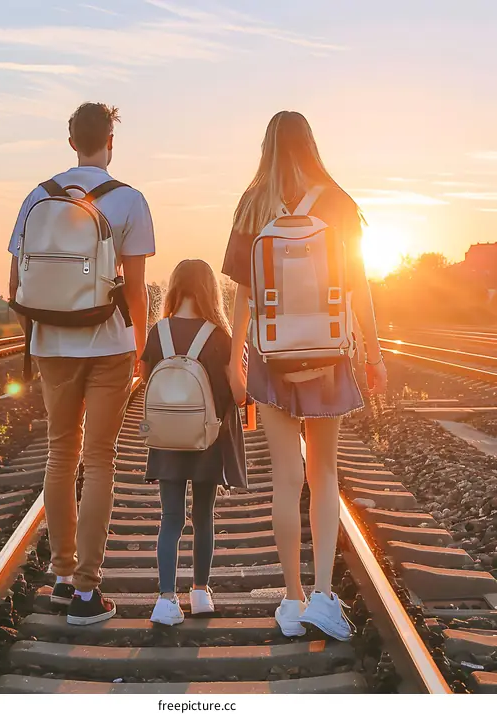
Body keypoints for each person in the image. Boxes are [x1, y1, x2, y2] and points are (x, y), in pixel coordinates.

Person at [222, 111, 387, 641]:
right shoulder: (337, 202)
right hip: (327, 354)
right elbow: (357, 285)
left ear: (266, 147)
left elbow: (242, 291)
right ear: (311, 145)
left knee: (285, 479)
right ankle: (321, 594)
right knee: (324, 475)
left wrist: (236, 355)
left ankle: (291, 600)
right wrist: (374, 352)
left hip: (271, 355)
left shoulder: (253, 205)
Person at [7, 102, 155, 626]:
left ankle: (64, 577)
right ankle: (90, 592)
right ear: (110, 140)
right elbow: (135, 290)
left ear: (71, 140)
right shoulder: (129, 201)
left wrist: (44, 332)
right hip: (109, 342)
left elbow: (15, 285)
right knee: (101, 459)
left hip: (51, 344)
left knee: (60, 452)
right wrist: (139, 349)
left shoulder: (36, 198)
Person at [140, 260, 247, 626]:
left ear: (174, 289)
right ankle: (200, 592)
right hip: (207, 441)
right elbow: (240, 394)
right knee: (203, 517)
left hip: (167, 440)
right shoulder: (219, 336)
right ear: (209, 291)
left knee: (170, 519)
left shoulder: (158, 332)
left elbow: (144, 379)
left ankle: (166, 599)